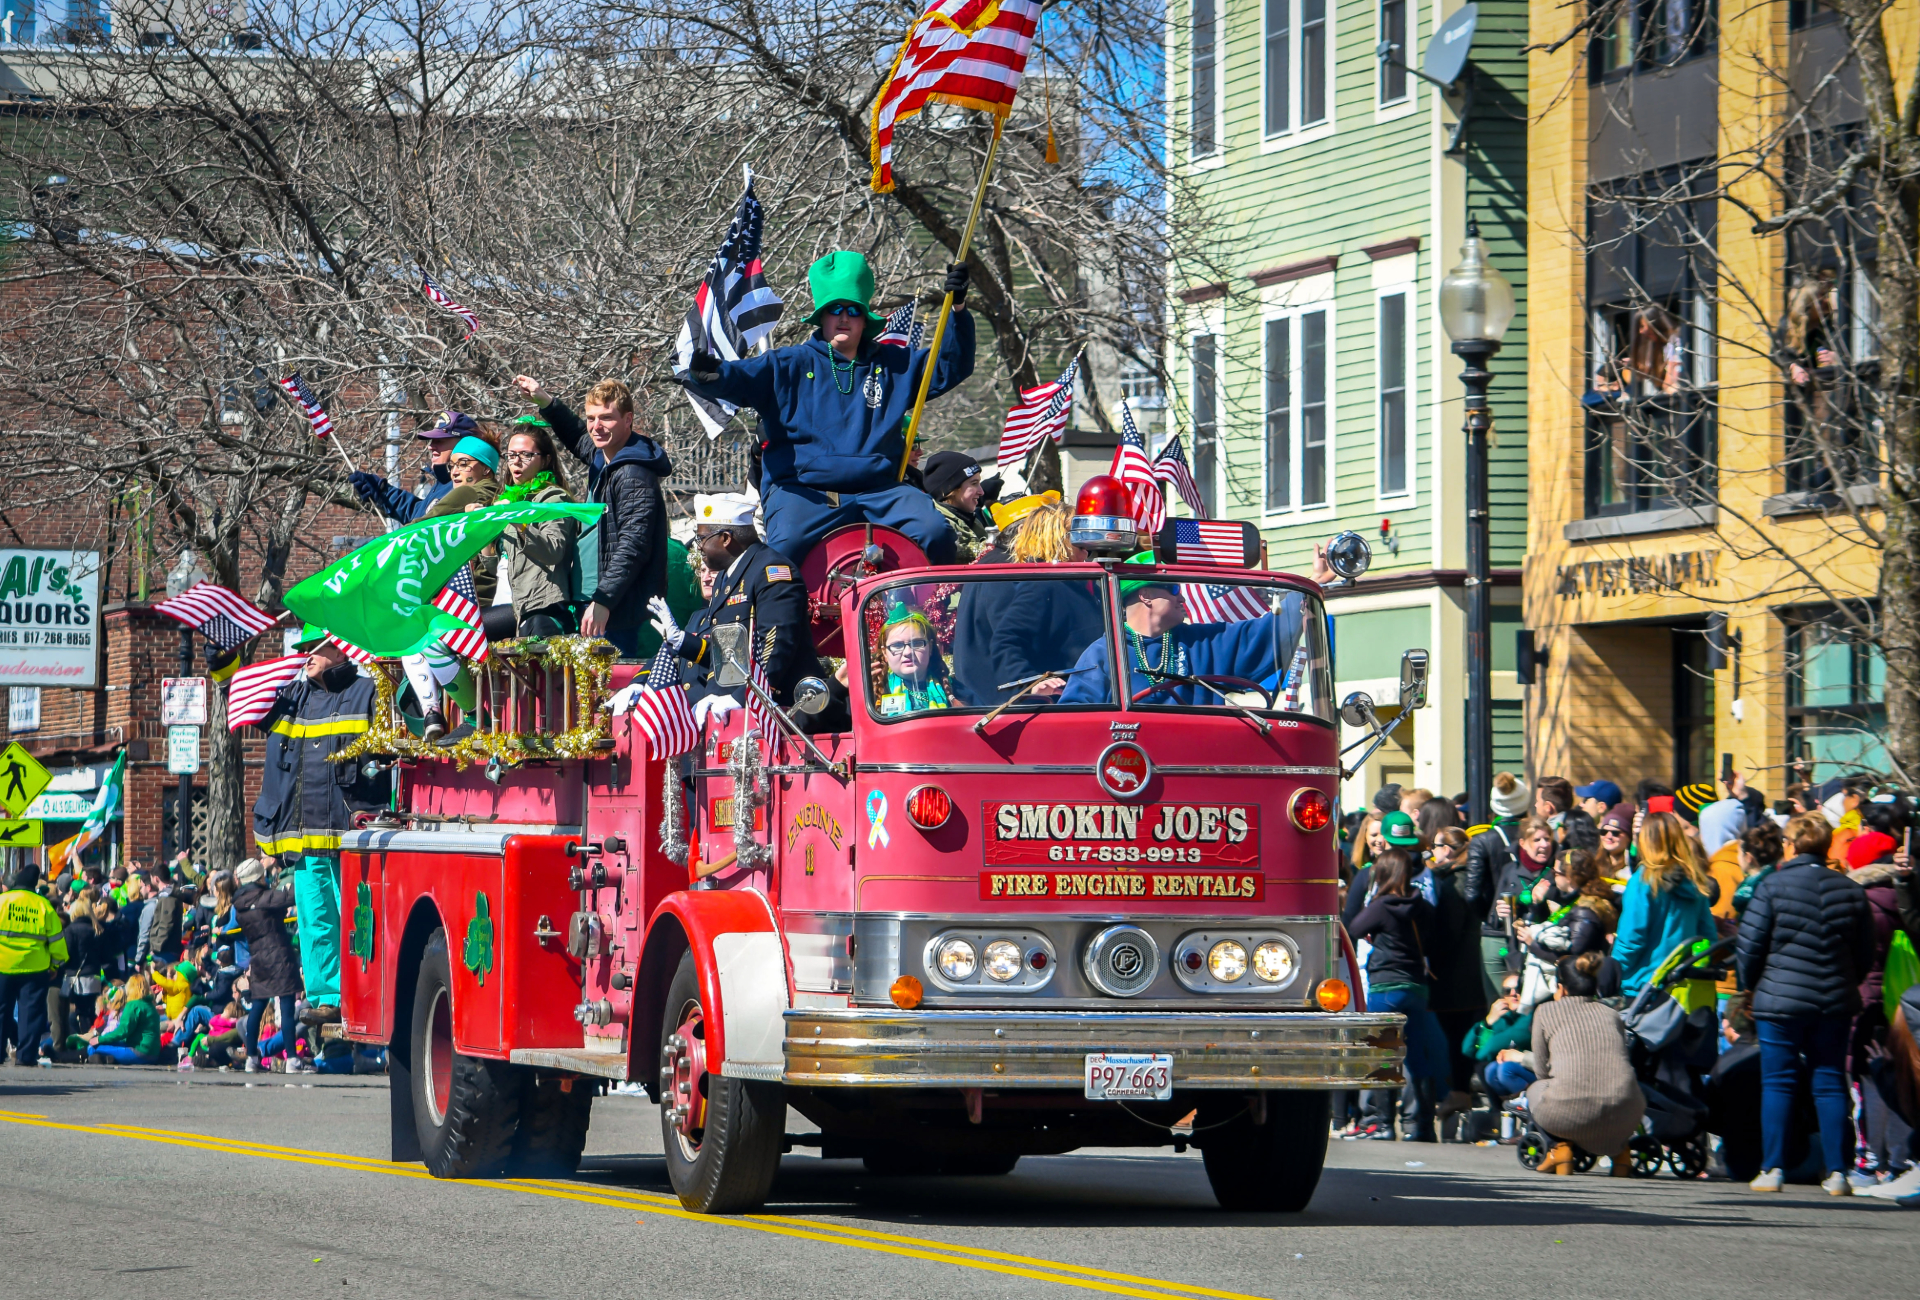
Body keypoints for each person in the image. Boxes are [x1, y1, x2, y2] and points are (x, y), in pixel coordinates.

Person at [681, 252, 973, 567]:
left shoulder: (895, 365)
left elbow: (951, 366)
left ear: (865, 318)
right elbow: (739, 378)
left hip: (880, 490)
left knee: (935, 532)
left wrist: (957, 309)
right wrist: (711, 374)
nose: (843, 317)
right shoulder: (787, 363)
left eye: (853, 310)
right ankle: (783, 602)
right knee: (783, 555)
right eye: (835, 310)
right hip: (804, 491)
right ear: (822, 317)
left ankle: (935, 598)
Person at [250, 636, 387, 1030]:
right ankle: (328, 998)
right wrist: (224, 665)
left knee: (359, 921)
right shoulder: (292, 698)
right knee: (316, 923)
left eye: (316, 647)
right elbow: (246, 705)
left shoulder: (367, 692)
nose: (306, 655)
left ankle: (367, 994)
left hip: (350, 839)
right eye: (305, 648)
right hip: (306, 845)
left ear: (341, 649)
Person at [1738, 813, 1875, 1195]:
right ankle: (1838, 1172)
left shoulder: (1772, 886)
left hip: (1779, 999)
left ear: (1791, 845)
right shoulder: (1850, 889)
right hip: (1834, 1001)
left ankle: (1773, 1167)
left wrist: (1752, 986)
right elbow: (1865, 951)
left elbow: (1750, 946)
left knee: (1778, 1083)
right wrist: (1846, 981)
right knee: (1829, 1082)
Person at [512, 375, 673, 656]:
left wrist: (604, 600)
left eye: (606, 418)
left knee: (606, 682)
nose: (596, 427)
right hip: (588, 600)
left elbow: (634, 544)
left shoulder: (633, 473)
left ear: (628, 419)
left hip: (613, 609)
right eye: (591, 418)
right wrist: (545, 400)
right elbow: (577, 436)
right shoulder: (605, 456)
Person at [652, 492, 825, 720]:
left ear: (726, 538)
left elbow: (775, 645)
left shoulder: (772, 571)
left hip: (776, 708)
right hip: (733, 709)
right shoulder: (725, 578)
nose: (698, 547)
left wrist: (741, 696)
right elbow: (725, 653)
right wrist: (683, 644)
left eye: (702, 538)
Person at [1058, 553, 1311, 706]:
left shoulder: (1203, 642)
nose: (1183, 598)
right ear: (1146, 595)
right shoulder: (1103, 653)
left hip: (1198, 765)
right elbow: (1078, 718)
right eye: (1174, 589)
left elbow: (1267, 633)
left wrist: (1310, 587)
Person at [949, 498, 1103, 706]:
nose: (1087, 551)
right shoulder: (1033, 580)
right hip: (1016, 705)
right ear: (1055, 538)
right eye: (1079, 542)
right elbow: (1006, 640)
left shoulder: (1061, 582)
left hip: (1081, 699)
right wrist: (1029, 683)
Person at [1345, 847, 1451, 1141]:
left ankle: (1384, 1125)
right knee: (1417, 1057)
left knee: (1384, 1057)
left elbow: (1354, 927)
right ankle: (1423, 1127)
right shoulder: (1422, 905)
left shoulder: (1381, 905)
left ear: (1382, 873)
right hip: (1416, 987)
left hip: (1386, 988)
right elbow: (1434, 941)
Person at [1522, 951, 1646, 1175]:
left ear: (1562, 988)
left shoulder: (1545, 1011)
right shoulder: (1611, 1014)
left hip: (1567, 1113)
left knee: (1535, 1089)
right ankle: (1622, 1154)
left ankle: (1559, 1148)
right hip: (1627, 1113)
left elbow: (1541, 1071)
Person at [1613, 810, 1716, 996]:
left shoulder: (1642, 881)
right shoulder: (1695, 881)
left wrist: (1613, 970)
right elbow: (1708, 936)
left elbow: (1631, 940)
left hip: (1641, 988)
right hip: (1681, 990)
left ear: (1646, 841)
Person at [497, 416, 579, 635]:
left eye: (526, 455)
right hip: (519, 608)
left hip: (547, 607)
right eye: (511, 455)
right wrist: (483, 527)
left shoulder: (554, 500)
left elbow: (553, 551)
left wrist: (518, 521)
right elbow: (500, 565)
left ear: (545, 460)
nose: (516, 461)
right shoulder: (511, 502)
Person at [231, 858, 304, 1073]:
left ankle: (251, 1057)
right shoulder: (266, 897)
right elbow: (292, 896)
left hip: (258, 959)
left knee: (257, 1007)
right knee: (287, 1008)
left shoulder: (239, 905)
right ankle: (292, 1059)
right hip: (279, 955)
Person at [1464, 771, 1531, 996]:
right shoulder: (1540, 838)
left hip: (1496, 934)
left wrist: (1490, 916)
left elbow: (1472, 894)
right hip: (1532, 930)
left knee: (1499, 1004)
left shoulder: (1482, 841)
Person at [0, 865, 67, 1065]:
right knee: (31, 1014)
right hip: (35, 969)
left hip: (3, 966)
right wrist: (54, 966)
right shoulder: (43, 906)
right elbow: (57, 941)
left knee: (1, 1011)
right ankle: (26, 1056)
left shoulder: (3, 901)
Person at [347, 411, 468, 523]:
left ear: (465, 445)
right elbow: (416, 514)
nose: (431, 446)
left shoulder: (467, 488)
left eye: (440, 441)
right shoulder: (444, 485)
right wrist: (382, 491)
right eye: (432, 441)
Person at [871, 604, 953, 717]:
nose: (908, 652)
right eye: (897, 645)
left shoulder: (954, 690)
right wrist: (843, 690)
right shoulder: (871, 694)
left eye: (917, 643)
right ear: (885, 653)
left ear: (930, 647)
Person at [1467, 970, 1536, 1101]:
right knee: (1490, 1069)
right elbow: (1468, 1048)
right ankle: (1500, 1108)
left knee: (1505, 1069)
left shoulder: (1531, 1016)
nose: (1513, 994)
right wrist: (1487, 1022)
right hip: (1521, 1069)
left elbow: (1485, 1051)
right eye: (1507, 991)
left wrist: (1484, 1050)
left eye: (1518, 989)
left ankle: (1527, 1103)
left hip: (1539, 1070)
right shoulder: (1504, 1017)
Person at [922, 450, 988, 562]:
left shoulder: (968, 518)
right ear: (950, 489)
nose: (981, 492)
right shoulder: (941, 525)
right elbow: (974, 557)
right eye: (974, 483)